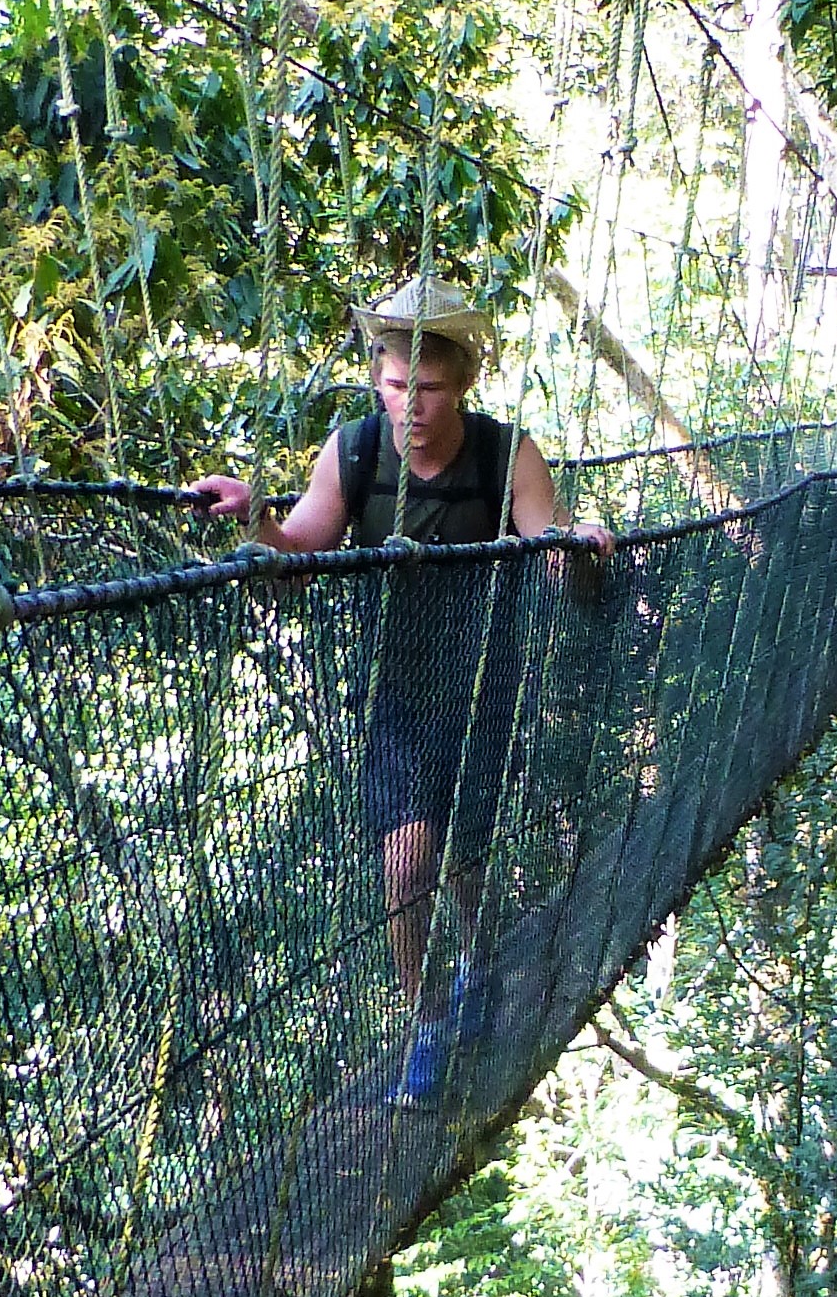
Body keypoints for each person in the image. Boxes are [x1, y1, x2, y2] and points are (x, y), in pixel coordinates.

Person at [195, 277, 608, 1103]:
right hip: (395, 690)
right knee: (407, 859)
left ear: (463, 385)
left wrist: (577, 546)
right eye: (393, 385)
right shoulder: (353, 451)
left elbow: (550, 548)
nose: (409, 405)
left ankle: (476, 960)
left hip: (485, 685)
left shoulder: (507, 453)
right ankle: (424, 1020)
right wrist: (252, 518)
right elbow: (297, 556)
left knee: (468, 857)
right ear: (376, 379)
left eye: (430, 389)